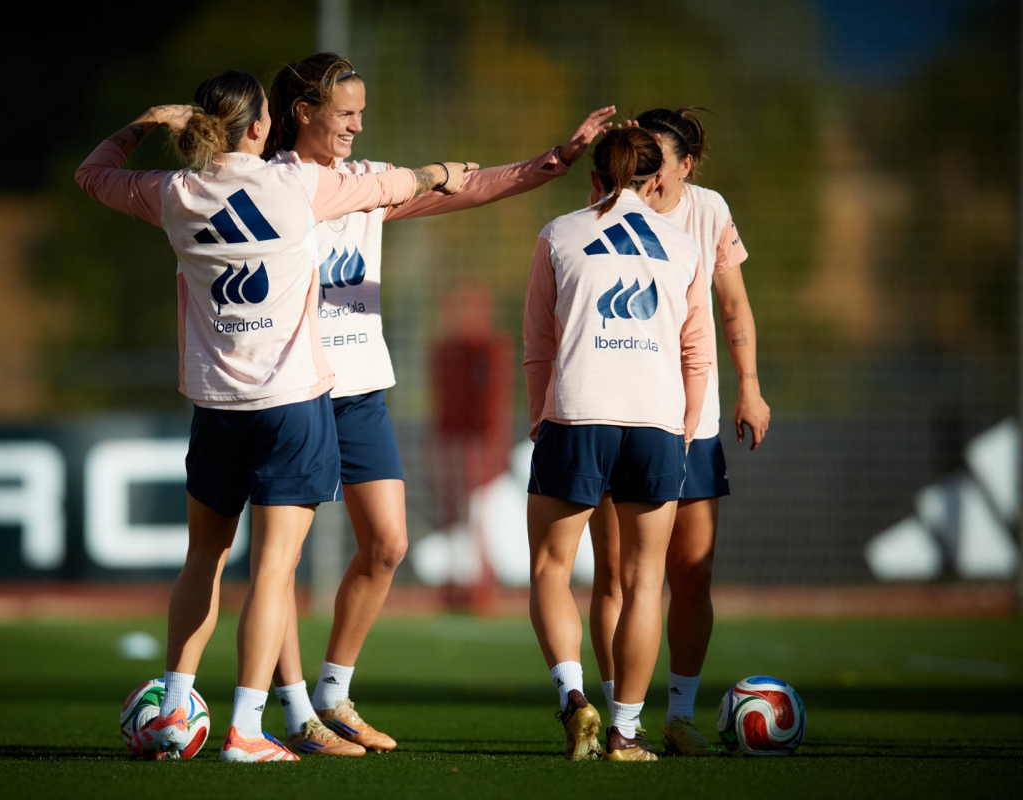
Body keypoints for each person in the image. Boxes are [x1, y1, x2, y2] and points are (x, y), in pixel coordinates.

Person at [75, 68, 473, 763]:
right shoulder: (297, 187)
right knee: (274, 572)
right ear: (261, 127)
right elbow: (393, 185)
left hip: (217, 410)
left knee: (204, 556)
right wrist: (439, 171)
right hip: (291, 406)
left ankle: (173, 709)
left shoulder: (173, 194)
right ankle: (247, 730)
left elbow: (93, 172)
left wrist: (144, 122)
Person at [258, 52, 620, 757]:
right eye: (346, 113)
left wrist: (555, 160)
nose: (358, 126)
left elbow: (467, 188)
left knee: (388, 544)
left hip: (360, 386)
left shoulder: (369, 181)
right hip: (289, 387)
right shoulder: (268, 185)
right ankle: (294, 713)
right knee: (283, 563)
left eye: (362, 112)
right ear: (302, 112)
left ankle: (333, 696)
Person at [586, 108, 771, 757]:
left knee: (691, 574)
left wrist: (748, 383)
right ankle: (618, 720)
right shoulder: (604, 210)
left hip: (695, 424)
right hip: (619, 415)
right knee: (616, 576)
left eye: (658, 161)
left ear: (686, 165)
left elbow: (733, 303)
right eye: (639, 159)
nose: (647, 173)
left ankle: (681, 716)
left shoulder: (709, 212)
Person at [523, 127, 711, 761]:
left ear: (595, 177)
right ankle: (627, 733)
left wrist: (537, 418)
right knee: (643, 580)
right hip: (655, 424)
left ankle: (575, 700)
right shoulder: (685, 245)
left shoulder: (558, 233)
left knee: (552, 570)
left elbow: (537, 347)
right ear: (658, 180)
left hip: (575, 416)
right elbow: (697, 353)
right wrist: (683, 429)